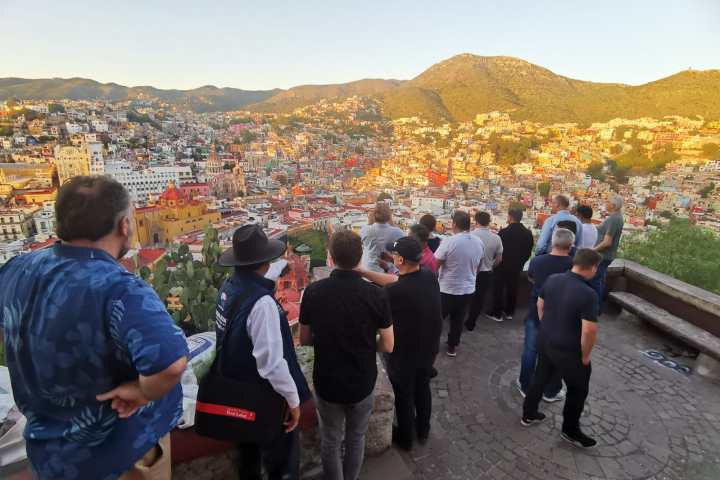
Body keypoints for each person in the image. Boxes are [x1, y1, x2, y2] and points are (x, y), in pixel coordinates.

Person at [0, 175, 189, 480]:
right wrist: (141, 391)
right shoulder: (118, 287)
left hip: (48, 454)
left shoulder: (15, 270)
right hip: (117, 455)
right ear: (124, 226)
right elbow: (170, 365)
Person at [214, 224, 311, 480]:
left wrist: (280, 266)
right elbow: (271, 363)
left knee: (249, 460)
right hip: (265, 397)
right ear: (265, 261)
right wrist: (293, 400)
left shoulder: (228, 289)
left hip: (237, 391)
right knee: (282, 465)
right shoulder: (262, 304)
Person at [299, 230, 394, 480]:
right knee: (356, 438)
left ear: (330, 257)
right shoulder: (376, 295)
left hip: (327, 380)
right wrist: (366, 345)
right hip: (362, 381)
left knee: (330, 440)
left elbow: (305, 339)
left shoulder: (313, 292)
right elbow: (388, 344)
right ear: (360, 258)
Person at [358, 237, 442, 450]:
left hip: (404, 353)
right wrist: (365, 272)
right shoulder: (428, 276)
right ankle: (423, 429)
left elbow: (391, 291)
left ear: (401, 259)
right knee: (423, 388)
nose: (392, 257)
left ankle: (405, 439)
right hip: (428, 347)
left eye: (394, 254)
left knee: (404, 395)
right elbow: (397, 281)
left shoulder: (393, 293)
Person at [521, 249, 602, 449]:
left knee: (540, 377)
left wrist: (547, 326)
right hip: (568, 350)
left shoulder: (553, 279)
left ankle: (529, 414)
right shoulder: (588, 294)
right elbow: (589, 331)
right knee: (577, 390)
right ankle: (570, 430)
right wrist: (585, 356)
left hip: (546, 340)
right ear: (592, 268)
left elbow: (540, 305)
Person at [517, 228, 575, 402]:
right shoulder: (573, 264)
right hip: (561, 315)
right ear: (571, 245)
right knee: (556, 352)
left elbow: (531, 278)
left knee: (530, 351)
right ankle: (550, 390)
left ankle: (525, 385)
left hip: (536, 310)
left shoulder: (538, 261)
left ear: (552, 242)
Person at [434, 210, 484, 357]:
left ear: (454, 224)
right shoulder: (478, 242)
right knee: (458, 320)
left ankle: (432, 344)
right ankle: (452, 346)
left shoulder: (449, 241)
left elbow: (436, 263)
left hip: (447, 288)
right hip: (468, 289)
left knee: (437, 319)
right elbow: (479, 266)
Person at [488, 208, 533, 322]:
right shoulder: (528, 233)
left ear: (510, 217)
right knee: (512, 288)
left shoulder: (504, 232)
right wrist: (521, 262)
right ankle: (509, 312)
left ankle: (497, 313)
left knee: (498, 288)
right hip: (517, 265)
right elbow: (528, 252)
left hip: (502, 265)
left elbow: (497, 251)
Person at [467, 211, 503, 330]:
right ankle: (471, 323)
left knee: (464, 296)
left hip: (470, 271)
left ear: (476, 221)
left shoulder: (470, 235)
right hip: (486, 273)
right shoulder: (496, 237)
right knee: (479, 299)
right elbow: (499, 259)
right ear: (489, 222)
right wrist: (490, 266)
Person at [591, 196, 625, 307]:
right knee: (600, 280)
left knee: (596, 281)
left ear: (613, 206)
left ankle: (595, 307)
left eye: (608, 201)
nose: (606, 203)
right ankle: (597, 306)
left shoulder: (614, 219)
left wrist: (592, 250)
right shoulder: (617, 217)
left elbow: (607, 242)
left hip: (603, 255)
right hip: (606, 255)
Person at [361, 202, 404, 273]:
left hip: (368, 269)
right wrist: (392, 223)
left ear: (374, 215)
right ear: (389, 216)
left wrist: (370, 222)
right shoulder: (396, 232)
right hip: (387, 272)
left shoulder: (365, 229)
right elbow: (405, 240)